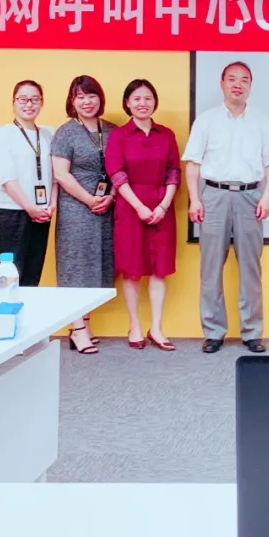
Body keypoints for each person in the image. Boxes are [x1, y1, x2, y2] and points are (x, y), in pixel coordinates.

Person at [183, 61, 269, 354]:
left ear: (250, 86)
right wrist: (195, 199)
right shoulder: (206, 120)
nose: (238, 84)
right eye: (232, 79)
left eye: (244, 80)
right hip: (213, 196)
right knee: (210, 267)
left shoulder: (261, 121)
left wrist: (267, 196)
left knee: (251, 268)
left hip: (251, 197)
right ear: (222, 84)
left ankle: (252, 332)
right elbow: (193, 163)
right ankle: (214, 332)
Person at [105, 79, 181, 352]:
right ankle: (135, 325)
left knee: (159, 271)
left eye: (148, 98)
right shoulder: (119, 136)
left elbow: (174, 171)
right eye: (136, 98)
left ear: (155, 102)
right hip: (130, 207)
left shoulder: (166, 134)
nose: (142, 103)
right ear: (127, 103)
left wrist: (163, 206)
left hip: (162, 208)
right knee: (132, 270)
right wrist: (139, 206)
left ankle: (156, 327)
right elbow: (116, 173)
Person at [51, 75, 117, 355]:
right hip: (76, 208)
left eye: (91, 95)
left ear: (100, 98)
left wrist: (111, 196)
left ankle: (85, 325)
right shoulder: (65, 132)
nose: (86, 101)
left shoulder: (112, 130)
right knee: (76, 265)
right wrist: (90, 199)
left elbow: (121, 169)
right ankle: (77, 328)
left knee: (97, 265)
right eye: (80, 97)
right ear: (72, 101)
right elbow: (61, 174)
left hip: (107, 207)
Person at [0, 80, 54, 287]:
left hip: (41, 214)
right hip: (11, 212)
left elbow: (56, 176)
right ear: (14, 102)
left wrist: (51, 205)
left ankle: (28, 310)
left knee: (32, 277)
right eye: (23, 99)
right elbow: (6, 178)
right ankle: (6, 309)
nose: (29, 104)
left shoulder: (47, 135)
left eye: (35, 99)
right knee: (10, 275)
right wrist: (29, 207)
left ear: (42, 102)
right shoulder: (3, 135)